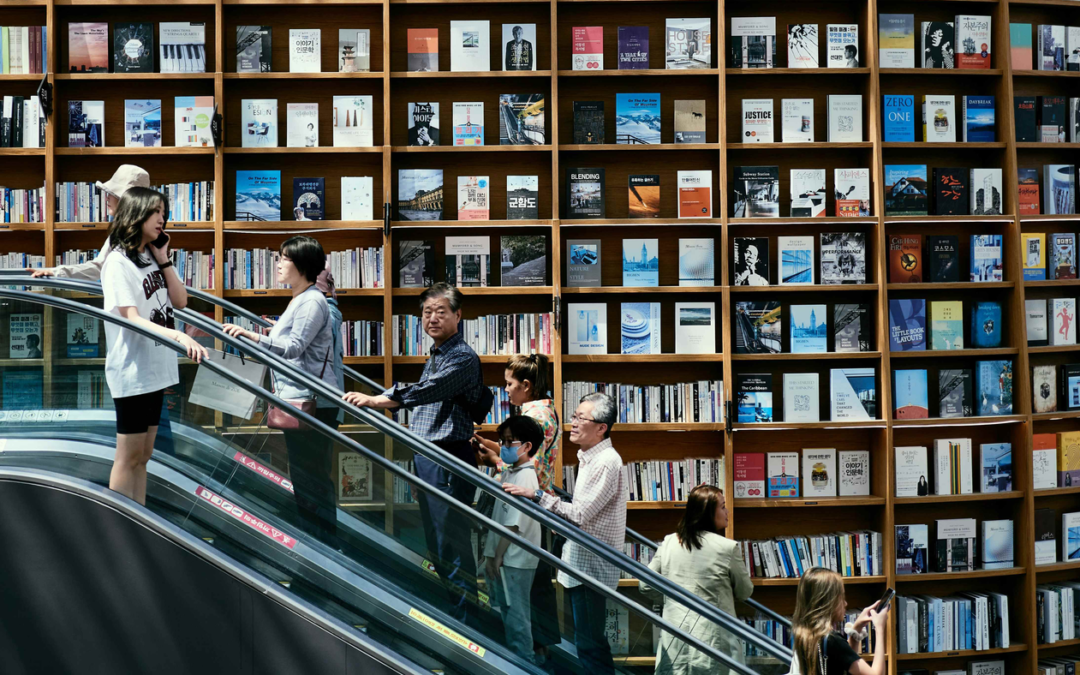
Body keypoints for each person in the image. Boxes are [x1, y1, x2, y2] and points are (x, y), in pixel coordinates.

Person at [342, 282, 487, 628]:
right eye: (426, 312)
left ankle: (470, 631)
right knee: (439, 547)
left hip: (447, 457)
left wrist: (379, 399)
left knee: (450, 547)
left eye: (441, 311)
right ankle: (460, 622)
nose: (432, 318)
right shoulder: (437, 354)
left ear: (458, 315)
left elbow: (429, 391)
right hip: (430, 456)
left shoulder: (462, 357)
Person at [28, 166, 185, 455]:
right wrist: (59, 272)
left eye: (112, 195)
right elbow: (108, 274)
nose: (107, 201)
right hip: (140, 355)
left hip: (153, 355)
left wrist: (165, 260)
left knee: (149, 450)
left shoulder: (146, 240)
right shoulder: (122, 246)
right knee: (139, 452)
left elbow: (177, 298)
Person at [222, 236, 339, 540]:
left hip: (314, 404)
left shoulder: (312, 300)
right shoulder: (300, 299)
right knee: (306, 479)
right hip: (300, 401)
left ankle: (321, 549)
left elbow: (294, 346)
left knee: (310, 481)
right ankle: (317, 545)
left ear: (301, 265)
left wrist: (253, 336)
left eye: (284, 258)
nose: (278, 263)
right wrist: (270, 331)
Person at [503, 392, 627, 673]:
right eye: (574, 416)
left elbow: (581, 514)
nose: (573, 423)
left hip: (590, 568)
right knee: (589, 643)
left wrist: (537, 495)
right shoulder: (590, 458)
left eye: (580, 418)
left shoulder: (605, 461)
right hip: (583, 564)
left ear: (601, 428)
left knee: (591, 646)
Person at [100, 187, 208, 505]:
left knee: (144, 456)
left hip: (156, 369)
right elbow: (130, 317)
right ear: (138, 214)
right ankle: (120, 530)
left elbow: (180, 300)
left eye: (164, 211)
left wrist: (163, 259)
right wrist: (178, 336)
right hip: (133, 370)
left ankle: (138, 519)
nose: (163, 218)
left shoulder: (148, 256)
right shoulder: (118, 262)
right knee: (128, 457)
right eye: (156, 211)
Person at [473, 353, 561, 657]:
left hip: (526, 510)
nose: (506, 389)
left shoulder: (534, 416)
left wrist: (495, 460)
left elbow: (525, 467)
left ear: (526, 385)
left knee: (521, 602)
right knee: (530, 597)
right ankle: (537, 656)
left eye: (510, 384)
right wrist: (493, 448)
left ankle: (529, 660)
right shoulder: (543, 410)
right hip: (533, 507)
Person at [641, 485, 752, 675]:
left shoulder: (669, 542)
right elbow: (744, 591)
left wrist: (671, 601)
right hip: (714, 641)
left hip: (675, 637)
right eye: (723, 506)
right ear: (707, 512)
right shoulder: (727, 548)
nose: (727, 512)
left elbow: (645, 585)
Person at [481, 415, 543, 663]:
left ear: (527, 446)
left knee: (517, 618)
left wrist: (497, 556)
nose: (504, 447)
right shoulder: (512, 472)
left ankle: (525, 665)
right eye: (502, 441)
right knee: (509, 615)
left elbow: (513, 524)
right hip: (504, 557)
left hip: (514, 559)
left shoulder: (526, 476)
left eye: (510, 442)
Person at [791, 567, 889, 675]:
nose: (845, 603)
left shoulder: (806, 634)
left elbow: (844, 659)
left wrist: (857, 628)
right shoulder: (833, 640)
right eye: (841, 597)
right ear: (828, 602)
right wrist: (880, 628)